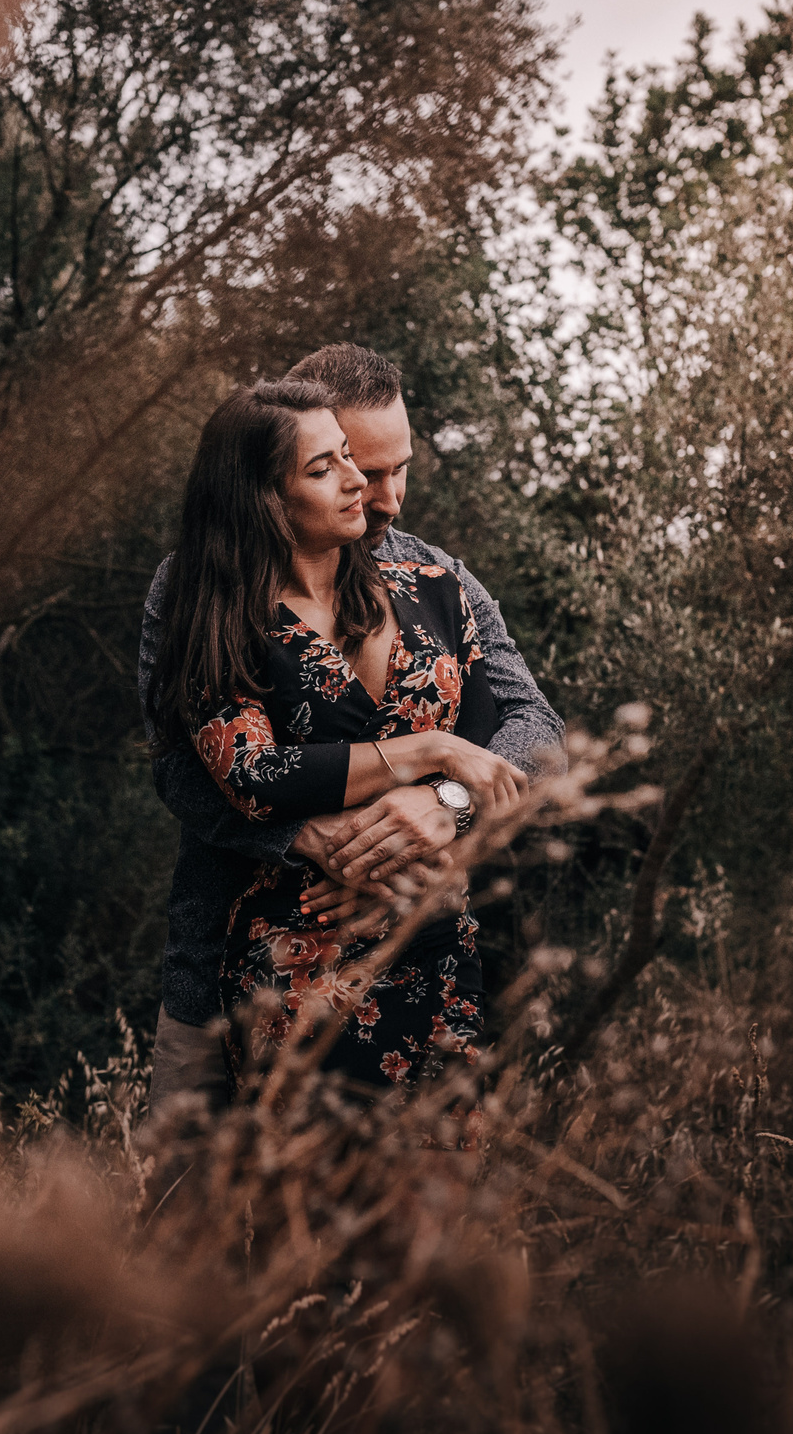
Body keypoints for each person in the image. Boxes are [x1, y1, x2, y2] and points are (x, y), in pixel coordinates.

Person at [138, 348, 562, 1110]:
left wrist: (443, 811)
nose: (387, 496)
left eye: (400, 467)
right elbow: (180, 771)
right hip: (232, 971)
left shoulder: (437, 580)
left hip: (426, 955)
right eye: (358, 466)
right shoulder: (201, 585)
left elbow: (537, 732)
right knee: (205, 1209)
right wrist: (323, 845)